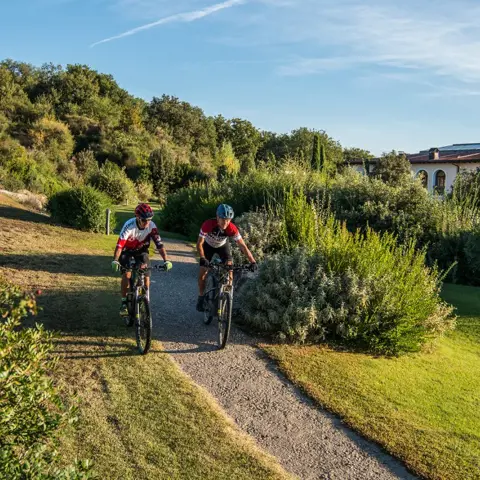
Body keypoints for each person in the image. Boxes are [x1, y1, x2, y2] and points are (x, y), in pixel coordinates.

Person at [111, 203, 172, 316]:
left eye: (149, 219)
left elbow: (159, 245)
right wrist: (115, 260)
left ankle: (146, 298)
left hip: (141, 250)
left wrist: (166, 260)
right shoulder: (129, 226)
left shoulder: (151, 226)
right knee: (127, 274)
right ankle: (124, 302)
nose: (147, 222)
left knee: (146, 272)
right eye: (144, 220)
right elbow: (119, 246)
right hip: (127, 251)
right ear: (138, 218)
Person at [196, 203, 256, 312]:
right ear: (217, 217)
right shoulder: (208, 224)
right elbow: (199, 243)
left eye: (228, 220)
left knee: (230, 270)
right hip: (208, 246)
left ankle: (227, 299)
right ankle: (201, 297)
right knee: (203, 272)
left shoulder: (231, 228)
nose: (226, 222)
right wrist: (202, 258)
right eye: (223, 219)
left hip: (222, 246)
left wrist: (252, 261)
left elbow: (242, 245)